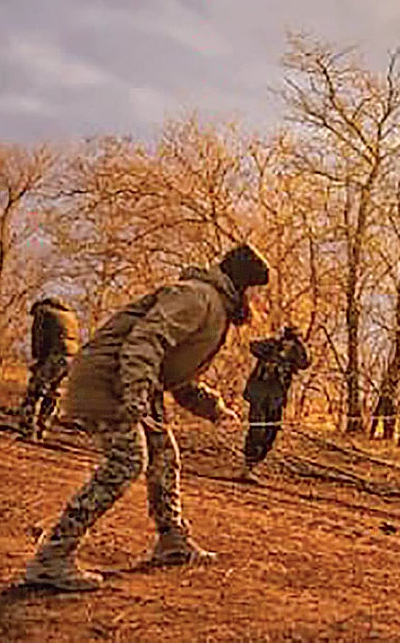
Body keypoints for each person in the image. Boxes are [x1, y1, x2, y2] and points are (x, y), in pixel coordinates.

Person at [21, 244, 269, 592]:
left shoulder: (215, 308)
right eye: (256, 293)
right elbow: (145, 341)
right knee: (127, 461)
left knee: (164, 454)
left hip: (130, 381)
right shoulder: (197, 297)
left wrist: (214, 409)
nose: (258, 303)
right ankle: (52, 557)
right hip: (108, 380)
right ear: (242, 286)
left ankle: (172, 543)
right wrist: (135, 393)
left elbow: (179, 378)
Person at [240, 325, 310, 483]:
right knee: (257, 430)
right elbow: (253, 347)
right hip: (259, 395)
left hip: (276, 400)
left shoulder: (294, 355)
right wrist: (275, 345)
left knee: (270, 434)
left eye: (292, 341)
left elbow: (305, 363)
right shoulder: (270, 347)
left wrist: (299, 345)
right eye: (288, 340)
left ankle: (255, 464)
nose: (288, 344)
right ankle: (247, 467)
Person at [17, 297, 81, 441]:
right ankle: (42, 429)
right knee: (53, 394)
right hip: (72, 358)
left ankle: (27, 431)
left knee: (34, 393)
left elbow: (39, 339)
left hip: (55, 356)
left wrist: (38, 360)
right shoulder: (70, 315)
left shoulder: (43, 312)